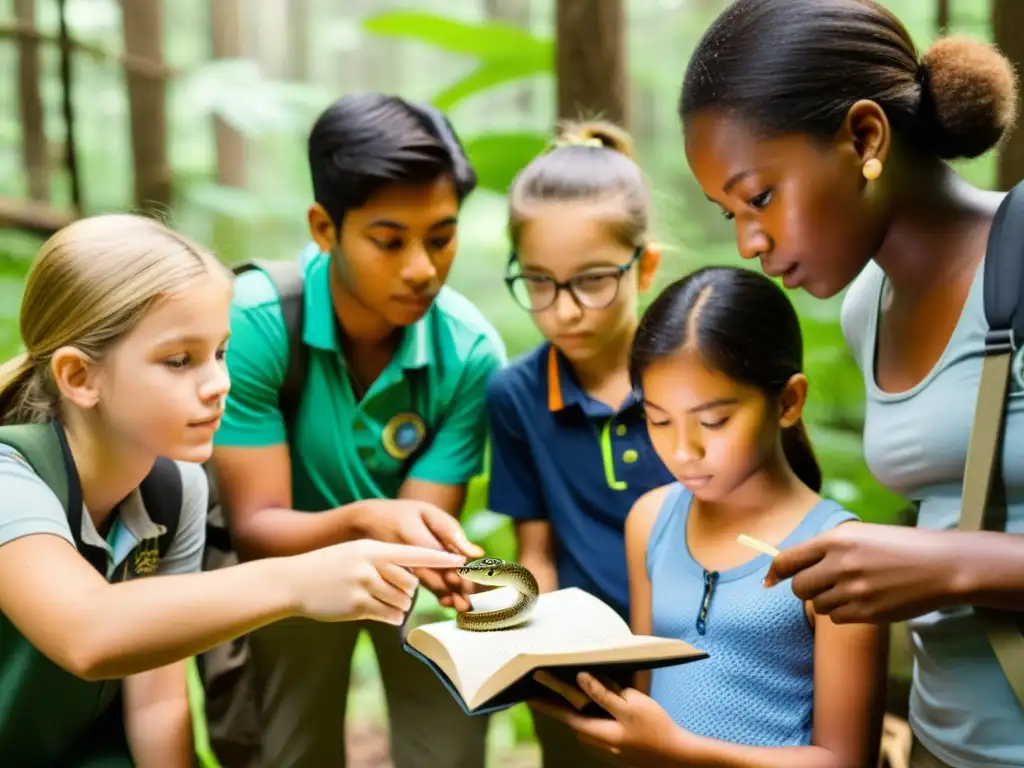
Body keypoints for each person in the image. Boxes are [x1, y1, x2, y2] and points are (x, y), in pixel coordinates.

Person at [677, 1, 1023, 766]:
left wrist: (945, 564)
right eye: (727, 212)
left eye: (759, 196)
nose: (749, 242)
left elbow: (944, 557)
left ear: (865, 137)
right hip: (946, 744)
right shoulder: (871, 306)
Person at [0, 214, 467, 768]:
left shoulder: (176, 491)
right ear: (80, 377)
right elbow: (89, 632)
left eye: (220, 352)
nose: (219, 382)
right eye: (180, 360)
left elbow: (157, 701)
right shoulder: (12, 475)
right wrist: (299, 580)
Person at [208, 92, 506, 768]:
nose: (422, 268)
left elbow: (421, 539)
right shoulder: (254, 324)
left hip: (408, 583)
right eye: (388, 240)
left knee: (449, 753)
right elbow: (258, 528)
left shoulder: (468, 354)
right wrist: (373, 517)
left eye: (441, 236)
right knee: (283, 752)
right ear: (324, 227)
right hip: (283, 574)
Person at [532, 265, 888, 767]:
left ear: (788, 401)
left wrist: (677, 748)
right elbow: (647, 702)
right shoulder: (650, 521)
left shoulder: (837, 552)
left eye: (713, 421)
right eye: (657, 419)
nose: (683, 450)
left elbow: (845, 760)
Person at [484, 121, 674, 765]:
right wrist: (532, 649)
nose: (563, 310)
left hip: (695, 664)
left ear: (645, 265)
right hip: (582, 677)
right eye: (539, 282)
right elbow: (536, 551)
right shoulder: (515, 395)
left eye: (592, 281)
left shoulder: (695, 376)